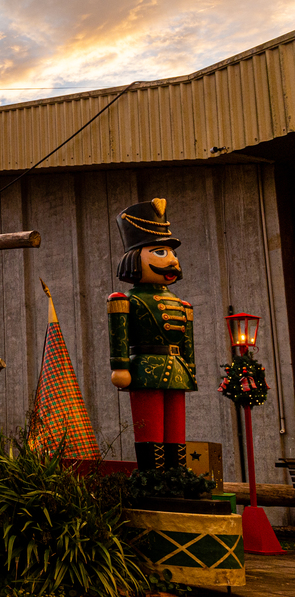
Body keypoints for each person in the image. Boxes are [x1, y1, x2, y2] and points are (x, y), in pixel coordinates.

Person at [107, 198, 196, 470]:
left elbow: (187, 343)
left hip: (176, 368)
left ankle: (176, 472)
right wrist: (120, 367)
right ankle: (153, 475)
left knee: (176, 426)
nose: (171, 261)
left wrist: (190, 368)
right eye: (160, 253)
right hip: (145, 367)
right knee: (151, 425)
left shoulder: (182, 305)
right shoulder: (123, 300)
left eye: (172, 254)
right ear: (134, 258)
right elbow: (119, 336)